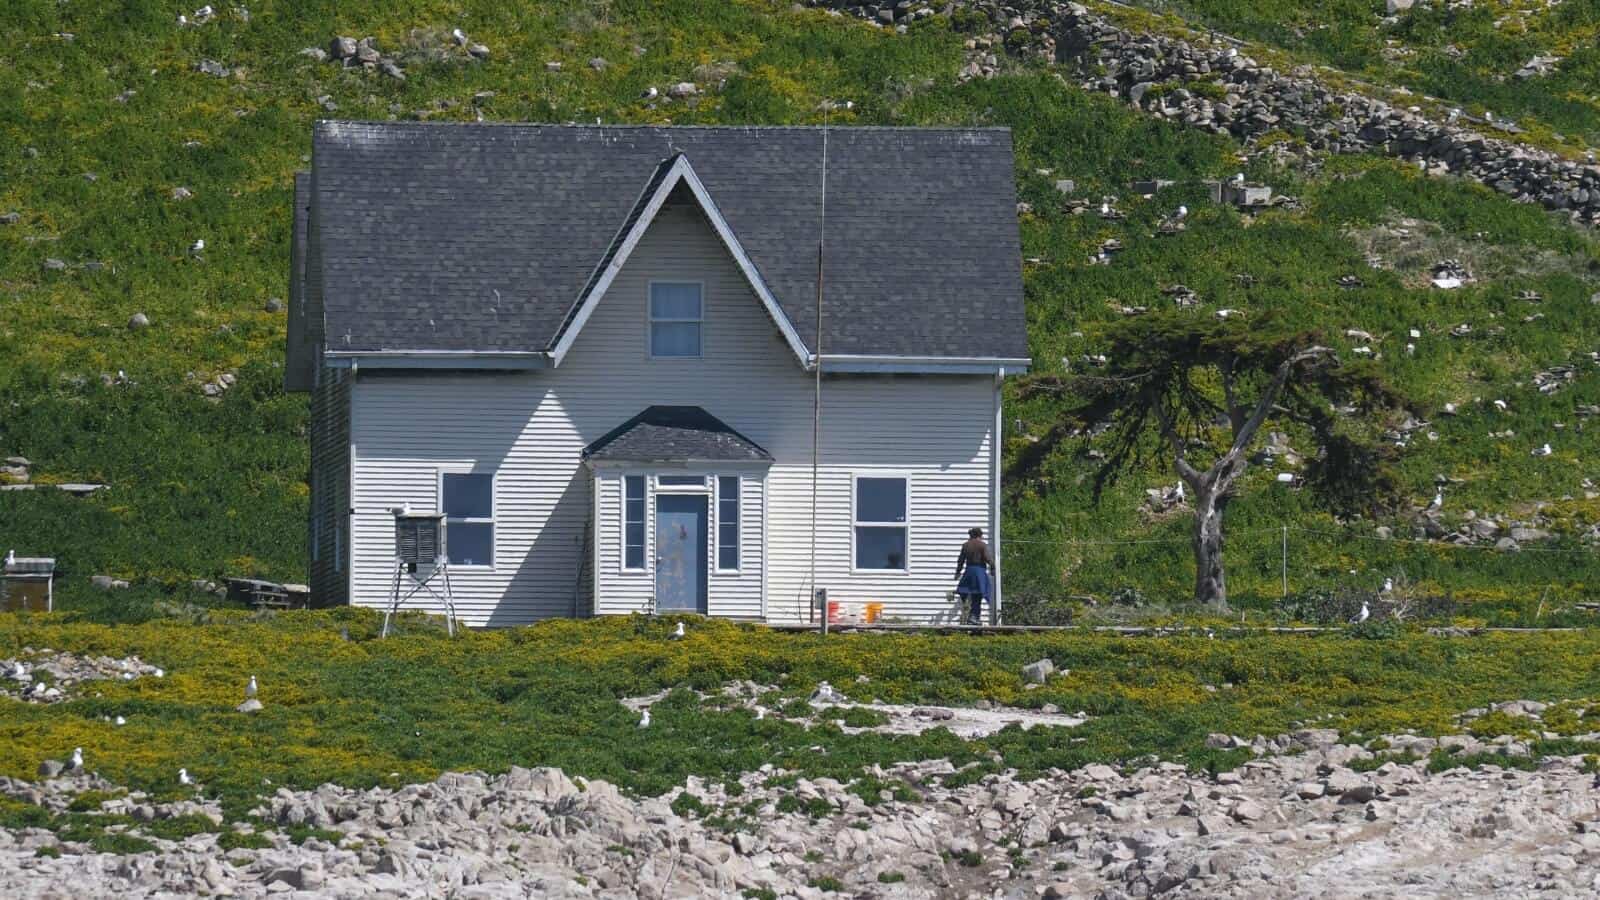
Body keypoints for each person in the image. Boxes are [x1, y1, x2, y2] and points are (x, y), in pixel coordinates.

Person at [954, 527, 994, 626]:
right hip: (979, 571)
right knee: (978, 595)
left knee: (965, 592)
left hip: (969, 571)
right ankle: (973, 617)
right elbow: (988, 558)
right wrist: (993, 567)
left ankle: (970, 616)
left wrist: (958, 572)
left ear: (971, 535)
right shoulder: (982, 545)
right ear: (979, 535)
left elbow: (961, 560)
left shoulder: (965, 545)